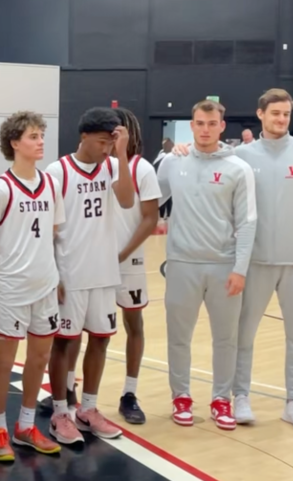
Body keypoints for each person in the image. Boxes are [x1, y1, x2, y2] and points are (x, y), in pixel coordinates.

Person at [231, 89, 293, 430]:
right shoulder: (242, 156)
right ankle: (240, 396)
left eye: (286, 114)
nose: (281, 119)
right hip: (255, 263)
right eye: (275, 113)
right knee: (244, 333)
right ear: (260, 114)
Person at [156, 99, 256, 430]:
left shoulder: (237, 168)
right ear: (192, 124)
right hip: (182, 263)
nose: (205, 129)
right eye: (199, 123)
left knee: (225, 339)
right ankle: (181, 397)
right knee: (178, 336)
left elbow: (247, 221)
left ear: (221, 126)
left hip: (224, 266)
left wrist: (240, 268)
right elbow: (151, 202)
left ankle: (221, 399)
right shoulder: (172, 162)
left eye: (212, 124)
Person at [0, 111, 65, 461]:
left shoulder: (51, 184)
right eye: (33, 135)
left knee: (40, 356)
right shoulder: (0, 189)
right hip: (12, 288)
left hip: (45, 284)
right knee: (5, 360)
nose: (40, 140)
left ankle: (26, 425)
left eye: (41, 134)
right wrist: (2, 269)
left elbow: (54, 232)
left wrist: (52, 273)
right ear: (15, 143)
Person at [45, 107, 135, 445]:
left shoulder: (113, 166)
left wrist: (122, 154)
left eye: (111, 144)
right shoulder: (58, 171)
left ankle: (89, 408)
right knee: (64, 343)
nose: (106, 149)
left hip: (103, 272)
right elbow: (49, 232)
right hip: (70, 271)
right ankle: (59, 412)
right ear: (84, 136)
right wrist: (54, 275)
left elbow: (127, 201)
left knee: (101, 338)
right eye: (102, 142)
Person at [111, 107, 161, 424]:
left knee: (134, 326)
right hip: (93, 265)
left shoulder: (142, 169)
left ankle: (129, 393)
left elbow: (150, 219)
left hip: (128, 262)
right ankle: (71, 395)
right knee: (81, 332)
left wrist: (122, 253)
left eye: (118, 130)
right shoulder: (96, 167)